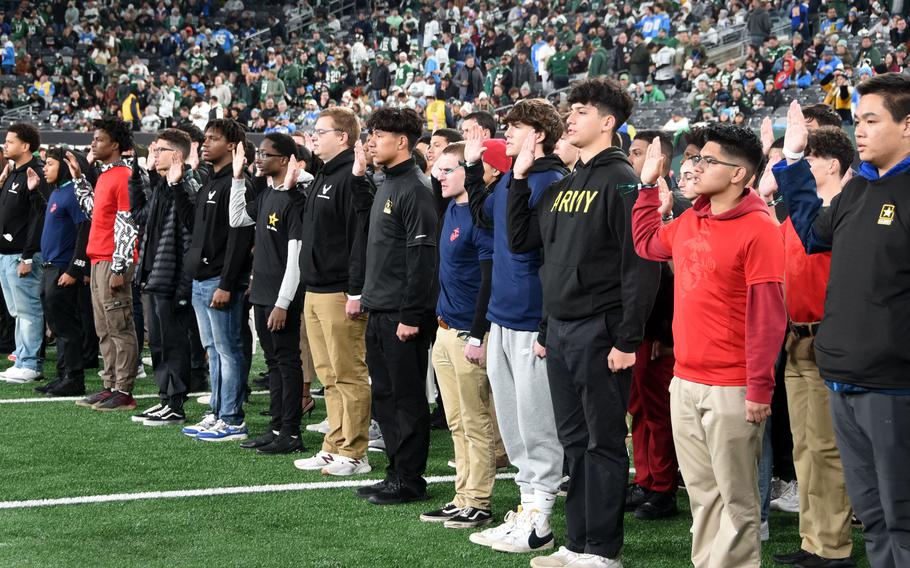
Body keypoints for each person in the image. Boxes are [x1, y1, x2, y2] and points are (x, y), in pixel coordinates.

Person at [508, 79, 660, 568]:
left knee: (602, 443)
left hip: (602, 330)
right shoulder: (569, 182)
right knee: (575, 443)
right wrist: (517, 178)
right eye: (569, 110)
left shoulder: (621, 180)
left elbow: (639, 265)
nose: (569, 118)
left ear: (607, 122)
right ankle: (576, 543)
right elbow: (526, 242)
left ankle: (602, 548)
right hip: (563, 331)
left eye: (581, 111)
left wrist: (628, 338)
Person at [632, 123, 787, 568]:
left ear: (739, 174)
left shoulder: (759, 229)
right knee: (702, 495)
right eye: (695, 159)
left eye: (707, 160)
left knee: (737, 501)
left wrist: (759, 387)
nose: (694, 167)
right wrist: (646, 190)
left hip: (732, 386)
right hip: (685, 379)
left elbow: (768, 315)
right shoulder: (691, 218)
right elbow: (646, 244)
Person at [777, 74, 910, 568]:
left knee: (902, 516)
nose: (861, 130)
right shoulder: (857, 193)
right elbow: (812, 232)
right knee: (874, 514)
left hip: (894, 383)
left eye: (872, 120)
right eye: (858, 121)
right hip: (843, 376)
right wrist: (792, 164)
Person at [462, 99, 567, 555]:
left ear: (538, 132)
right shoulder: (513, 175)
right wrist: (471, 168)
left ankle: (540, 517)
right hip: (503, 314)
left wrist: (545, 324)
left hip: (530, 316)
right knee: (513, 422)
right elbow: (484, 215)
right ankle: (527, 510)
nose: (506, 132)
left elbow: (536, 246)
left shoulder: (551, 180)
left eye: (514, 125)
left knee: (536, 422)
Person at [767, 121, 856, 568]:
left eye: (810, 158)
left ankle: (833, 545)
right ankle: (813, 541)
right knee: (805, 447)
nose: (802, 166)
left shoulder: (844, 210)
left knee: (825, 448)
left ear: (832, 164)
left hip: (828, 339)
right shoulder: (798, 217)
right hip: (796, 340)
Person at [351, 107, 437, 505]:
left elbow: (422, 260)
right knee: (385, 397)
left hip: (401, 316)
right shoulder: (386, 182)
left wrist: (411, 315)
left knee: (406, 400)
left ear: (402, 141)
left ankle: (410, 481)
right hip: (379, 309)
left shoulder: (416, 188)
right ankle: (395, 474)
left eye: (379, 134)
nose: (371, 141)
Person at [292, 107, 373, 476]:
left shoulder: (349, 178)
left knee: (348, 373)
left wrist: (355, 290)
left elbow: (358, 240)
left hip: (339, 290)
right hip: (315, 288)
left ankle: (355, 452)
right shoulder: (324, 175)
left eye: (320, 131)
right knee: (328, 375)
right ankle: (334, 444)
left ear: (343, 136)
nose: (313, 136)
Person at [419, 141, 496, 529]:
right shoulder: (450, 207)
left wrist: (479, 335)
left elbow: (488, 281)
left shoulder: (480, 219)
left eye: (448, 170)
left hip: (468, 333)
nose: (439, 176)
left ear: (469, 171)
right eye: (438, 170)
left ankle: (478, 500)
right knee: (455, 422)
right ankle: (462, 494)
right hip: (445, 330)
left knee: (475, 421)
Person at [176, 118, 255, 442]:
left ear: (232, 146)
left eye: (213, 138)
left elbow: (240, 239)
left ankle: (233, 418)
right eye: (205, 138)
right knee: (214, 349)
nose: (205, 143)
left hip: (220, 281)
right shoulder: (210, 181)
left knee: (228, 349)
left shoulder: (238, 184)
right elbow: (194, 227)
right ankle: (218, 411)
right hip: (201, 278)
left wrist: (226, 282)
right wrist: (176, 186)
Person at [230, 133, 306, 455]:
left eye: (266, 154)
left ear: (286, 160)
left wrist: (283, 303)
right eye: (258, 153)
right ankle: (275, 427)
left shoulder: (295, 200)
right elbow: (236, 219)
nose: (259, 158)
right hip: (261, 294)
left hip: (279, 300)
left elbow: (296, 257)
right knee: (274, 363)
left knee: (287, 363)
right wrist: (237, 179)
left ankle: (290, 432)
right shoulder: (266, 194)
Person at [625, 130, 686, 521]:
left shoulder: (675, 204)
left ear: (660, 160)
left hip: (658, 333)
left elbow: (673, 279)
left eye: (639, 152)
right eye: (631, 152)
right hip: (638, 328)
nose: (631, 158)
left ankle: (662, 487)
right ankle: (647, 479)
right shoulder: (632, 197)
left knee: (657, 411)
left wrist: (666, 333)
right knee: (640, 410)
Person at [128, 129, 198, 426]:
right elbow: (140, 217)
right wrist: (135, 176)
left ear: (177, 155)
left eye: (159, 150)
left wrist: (183, 283)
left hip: (171, 278)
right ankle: (165, 398)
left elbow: (191, 233)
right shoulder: (161, 187)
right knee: (158, 344)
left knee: (173, 343)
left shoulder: (188, 184)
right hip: (154, 275)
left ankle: (176, 403)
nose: (153, 156)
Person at [72, 117, 141, 412]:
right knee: (104, 327)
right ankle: (109, 385)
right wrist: (78, 179)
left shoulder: (125, 176)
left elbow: (128, 225)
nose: (93, 143)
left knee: (119, 326)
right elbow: (92, 211)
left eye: (99, 139)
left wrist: (119, 266)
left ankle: (124, 390)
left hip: (113, 261)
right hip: (99, 258)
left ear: (115, 145)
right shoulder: (104, 176)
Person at [30, 148, 89, 396]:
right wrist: (34, 194)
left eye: (50, 164)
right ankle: (63, 375)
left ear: (63, 166)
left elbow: (84, 229)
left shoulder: (73, 193)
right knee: (57, 325)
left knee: (67, 327)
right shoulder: (56, 192)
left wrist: (75, 269)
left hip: (63, 269)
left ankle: (74, 378)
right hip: (49, 267)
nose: (45, 168)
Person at [0, 123, 49, 384]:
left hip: (22, 254)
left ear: (25, 145)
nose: (5, 145)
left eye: (10, 141)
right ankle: (21, 357)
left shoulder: (35, 173)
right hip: (6, 254)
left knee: (29, 310)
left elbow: (37, 219)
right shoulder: (12, 173)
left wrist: (29, 255)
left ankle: (30, 363)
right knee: (18, 311)